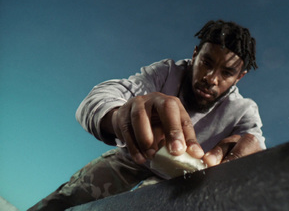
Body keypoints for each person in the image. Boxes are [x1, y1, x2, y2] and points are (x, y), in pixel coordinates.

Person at [29, 20, 266, 210]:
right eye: (206, 62)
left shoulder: (244, 111)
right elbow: (101, 97)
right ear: (195, 54)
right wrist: (119, 117)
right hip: (133, 157)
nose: (211, 78)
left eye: (226, 73)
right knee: (67, 198)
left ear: (239, 77)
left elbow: (255, 145)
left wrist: (244, 158)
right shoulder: (167, 72)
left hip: (180, 184)